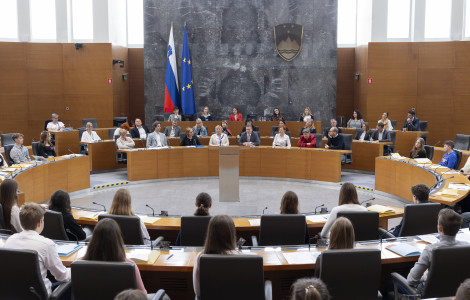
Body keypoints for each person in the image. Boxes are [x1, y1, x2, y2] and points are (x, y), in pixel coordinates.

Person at [4, 203, 71, 295]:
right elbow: (63, 276)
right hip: (40, 295)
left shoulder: (10, 240)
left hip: (14, 294)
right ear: (40, 222)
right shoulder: (46, 244)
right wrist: (75, 268)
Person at [407, 209, 467, 294]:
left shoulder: (430, 250)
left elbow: (411, 280)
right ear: (459, 228)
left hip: (428, 294)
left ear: (439, 228)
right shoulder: (466, 247)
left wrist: (425, 276)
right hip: (457, 293)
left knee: (391, 283)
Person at [82, 218, 147, 295]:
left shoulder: (79, 263)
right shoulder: (129, 265)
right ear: (118, 239)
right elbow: (143, 295)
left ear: (93, 238)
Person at [192, 215, 239, 298]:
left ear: (210, 233)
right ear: (232, 234)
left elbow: (198, 292)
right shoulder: (243, 258)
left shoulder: (200, 258)